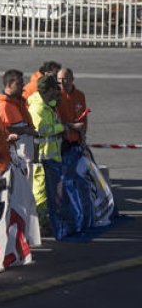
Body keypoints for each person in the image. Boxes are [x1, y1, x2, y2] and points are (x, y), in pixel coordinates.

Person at [28, 74, 65, 216]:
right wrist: (61, 128)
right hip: (42, 159)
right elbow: (40, 131)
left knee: (51, 192)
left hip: (51, 157)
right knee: (40, 192)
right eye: (54, 89)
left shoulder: (47, 106)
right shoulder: (38, 109)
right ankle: (40, 220)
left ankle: (47, 218)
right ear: (49, 90)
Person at [57, 67, 89, 149]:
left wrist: (82, 137)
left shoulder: (80, 95)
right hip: (61, 140)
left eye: (64, 79)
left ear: (72, 79)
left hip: (77, 141)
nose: (61, 82)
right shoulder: (56, 96)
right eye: (59, 79)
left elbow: (84, 118)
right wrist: (72, 126)